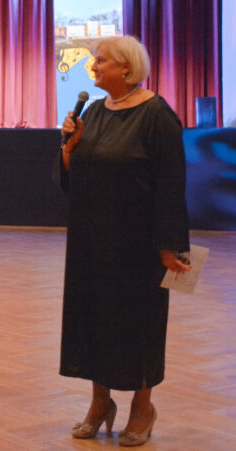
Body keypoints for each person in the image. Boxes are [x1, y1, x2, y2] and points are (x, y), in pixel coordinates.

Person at [58, 35, 191, 446]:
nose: (94, 66)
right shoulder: (95, 111)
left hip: (139, 248)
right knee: (94, 321)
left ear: (127, 69)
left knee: (138, 327)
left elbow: (171, 187)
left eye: (101, 60)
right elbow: (75, 176)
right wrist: (68, 149)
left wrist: (169, 247)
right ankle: (100, 404)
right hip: (91, 242)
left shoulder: (157, 116)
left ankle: (142, 408)